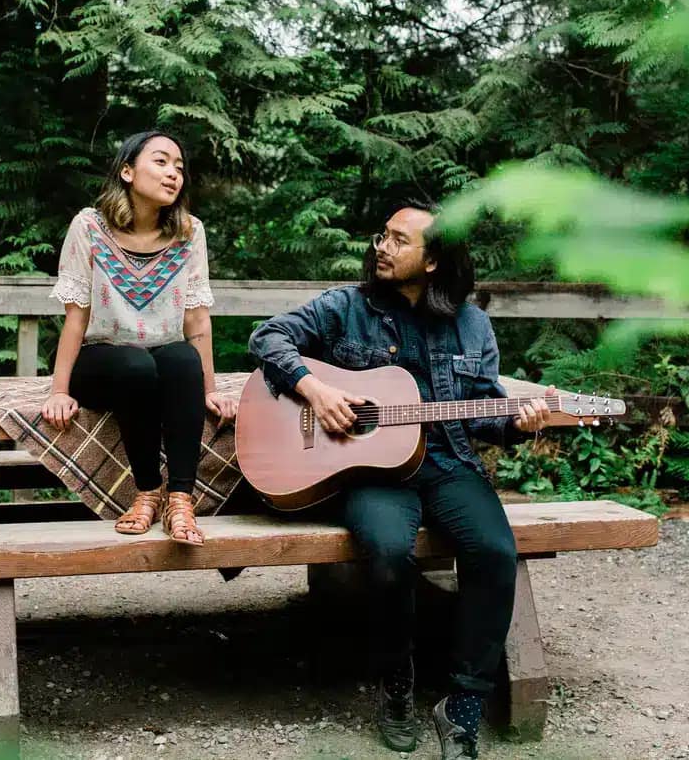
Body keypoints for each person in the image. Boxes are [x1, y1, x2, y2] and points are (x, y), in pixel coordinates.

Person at [247, 202, 551, 760]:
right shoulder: (347, 306)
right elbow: (269, 338)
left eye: (396, 240)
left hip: (448, 460)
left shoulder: (471, 323)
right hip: (372, 469)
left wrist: (515, 420)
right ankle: (396, 683)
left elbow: (479, 411)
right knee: (388, 551)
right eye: (381, 236)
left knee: (493, 550)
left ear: (432, 261)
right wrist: (316, 391)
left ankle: (463, 703)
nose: (380, 247)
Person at [43, 131, 236, 546]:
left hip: (162, 359)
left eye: (180, 167)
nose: (173, 174)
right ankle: (147, 491)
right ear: (127, 171)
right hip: (102, 360)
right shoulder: (89, 226)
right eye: (162, 162)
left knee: (183, 359)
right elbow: (76, 316)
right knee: (135, 364)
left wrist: (211, 389)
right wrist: (59, 390)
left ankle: (181, 498)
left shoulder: (189, 231)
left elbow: (197, 320)